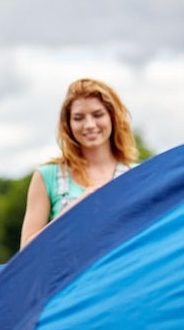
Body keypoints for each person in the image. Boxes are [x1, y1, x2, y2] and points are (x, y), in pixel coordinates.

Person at [20, 78, 139, 249]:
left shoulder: (135, 176)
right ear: (68, 124)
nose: (89, 125)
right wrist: (74, 211)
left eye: (98, 115)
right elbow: (26, 249)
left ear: (113, 117)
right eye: (78, 118)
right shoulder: (48, 175)